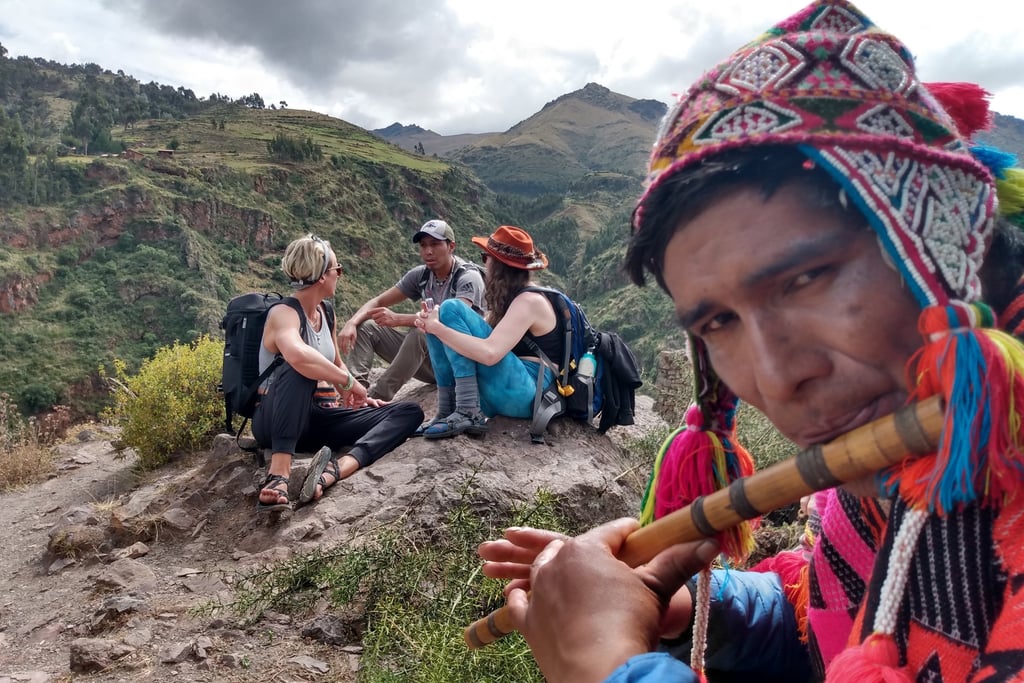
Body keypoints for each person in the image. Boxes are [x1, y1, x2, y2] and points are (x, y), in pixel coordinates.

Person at [477, 1, 1024, 681]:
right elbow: (834, 627)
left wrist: (607, 663)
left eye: (807, 279)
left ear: (942, 246)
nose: (776, 376)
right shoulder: (880, 479)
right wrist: (679, 605)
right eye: (718, 323)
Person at [252, 234, 423, 512]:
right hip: (273, 420)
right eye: (337, 269)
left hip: (317, 419)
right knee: (299, 369)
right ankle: (278, 476)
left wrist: (357, 397)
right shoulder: (283, 313)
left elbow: (336, 362)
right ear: (322, 276)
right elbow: (298, 355)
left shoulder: (326, 312)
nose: (339, 275)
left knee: (408, 413)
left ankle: (336, 469)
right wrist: (349, 381)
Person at [412, 225, 558, 438]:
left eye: (485, 258)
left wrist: (439, 328)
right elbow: (471, 337)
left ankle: (468, 410)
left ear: (499, 265)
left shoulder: (530, 301)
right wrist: (434, 325)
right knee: (440, 315)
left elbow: (490, 353)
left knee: (451, 309)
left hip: (529, 393)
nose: (484, 265)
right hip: (509, 389)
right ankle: (447, 410)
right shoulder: (511, 299)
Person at [337, 219, 486, 403]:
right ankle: (355, 393)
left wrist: (398, 319)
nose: (428, 251)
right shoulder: (422, 275)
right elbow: (378, 301)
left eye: (435, 244)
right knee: (366, 327)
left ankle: (376, 398)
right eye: (423, 245)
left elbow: (450, 319)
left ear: (451, 246)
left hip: (461, 364)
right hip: (433, 362)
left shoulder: (467, 277)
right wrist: (351, 323)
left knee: (421, 333)